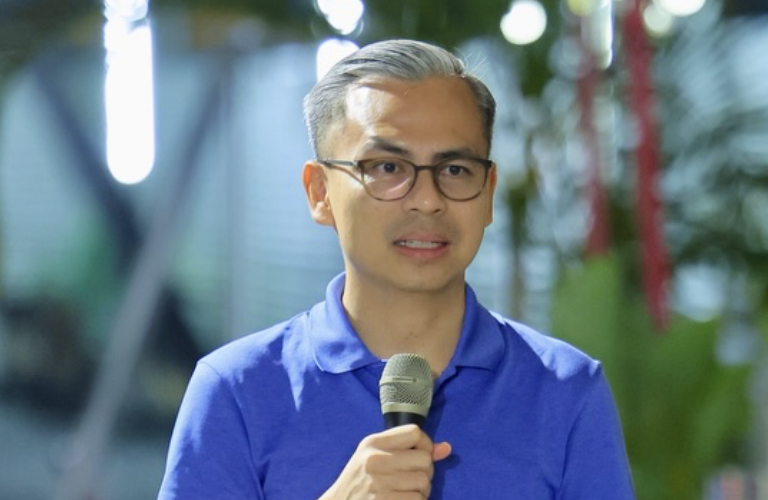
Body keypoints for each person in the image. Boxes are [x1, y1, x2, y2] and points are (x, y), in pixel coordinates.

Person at [157, 39, 635, 499]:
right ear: (320, 192)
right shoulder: (237, 392)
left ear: (488, 193)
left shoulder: (566, 392)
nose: (427, 200)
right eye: (387, 167)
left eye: (454, 170)